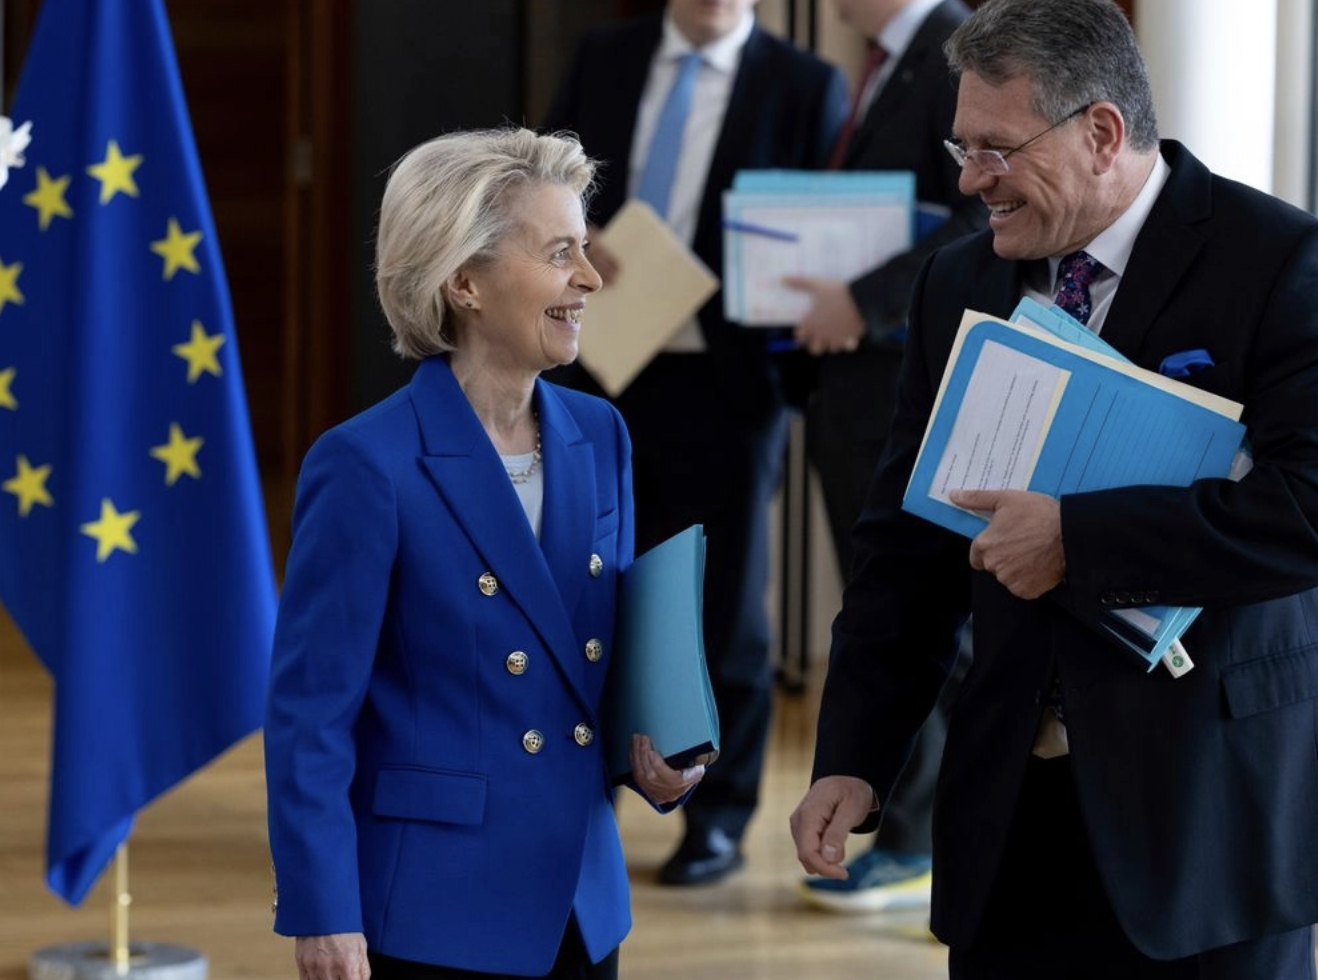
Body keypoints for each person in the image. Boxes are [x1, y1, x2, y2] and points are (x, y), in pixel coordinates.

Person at [790, 0, 1318, 977]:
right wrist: (854, 753)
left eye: (995, 149)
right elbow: (908, 545)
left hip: (1215, 818)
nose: (972, 180)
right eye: (960, 146)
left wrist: (1079, 537)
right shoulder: (956, 284)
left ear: (1102, 132)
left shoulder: (1284, 263)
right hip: (1011, 820)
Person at [264, 127, 703, 980]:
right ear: (464, 281)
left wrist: (660, 759)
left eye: (586, 249)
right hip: (432, 910)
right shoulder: (364, 464)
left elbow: (587, 666)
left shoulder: (601, 434)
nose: (590, 278)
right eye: (561, 253)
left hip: (580, 901)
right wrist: (323, 909)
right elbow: (310, 716)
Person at [542, 0, 846, 887]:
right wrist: (577, 239)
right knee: (583, 581)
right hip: (599, 371)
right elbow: (545, 180)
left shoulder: (805, 83)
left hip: (727, 383)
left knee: (726, 609)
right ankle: (583, 783)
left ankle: (717, 813)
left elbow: (817, 229)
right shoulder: (606, 55)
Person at [783, 0, 985, 915]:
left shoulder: (955, 51)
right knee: (885, 599)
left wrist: (864, 302)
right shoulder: (880, 65)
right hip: (850, 387)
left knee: (920, 607)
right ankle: (905, 827)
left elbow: (968, 215)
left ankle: (913, 838)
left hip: (898, 368)